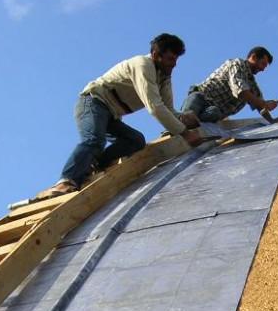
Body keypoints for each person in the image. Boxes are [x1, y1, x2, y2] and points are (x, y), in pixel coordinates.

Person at [40, 33, 202, 198]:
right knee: (94, 140)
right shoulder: (143, 65)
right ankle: (65, 182)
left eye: (176, 59)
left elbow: (168, 109)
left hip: (110, 114)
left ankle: (94, 165)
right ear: (155, 55)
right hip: (93, 103)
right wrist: (185, 133)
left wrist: (182, 117)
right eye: (169, 59)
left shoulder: (164, 77)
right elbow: (155, 107)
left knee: (135, 141)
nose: (173, 64)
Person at [181, 46, 278, 125]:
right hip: (200, 99)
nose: (263, 69)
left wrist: (271, 120)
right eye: (263, 64)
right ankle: (180, 125)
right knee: (186, 118)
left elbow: (259, 105)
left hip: (212, 112)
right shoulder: (237, 64)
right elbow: (241, 92)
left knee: (211, 115)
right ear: (253, 57)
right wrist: (264, 104)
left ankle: (192, 126)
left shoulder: (251, 84)